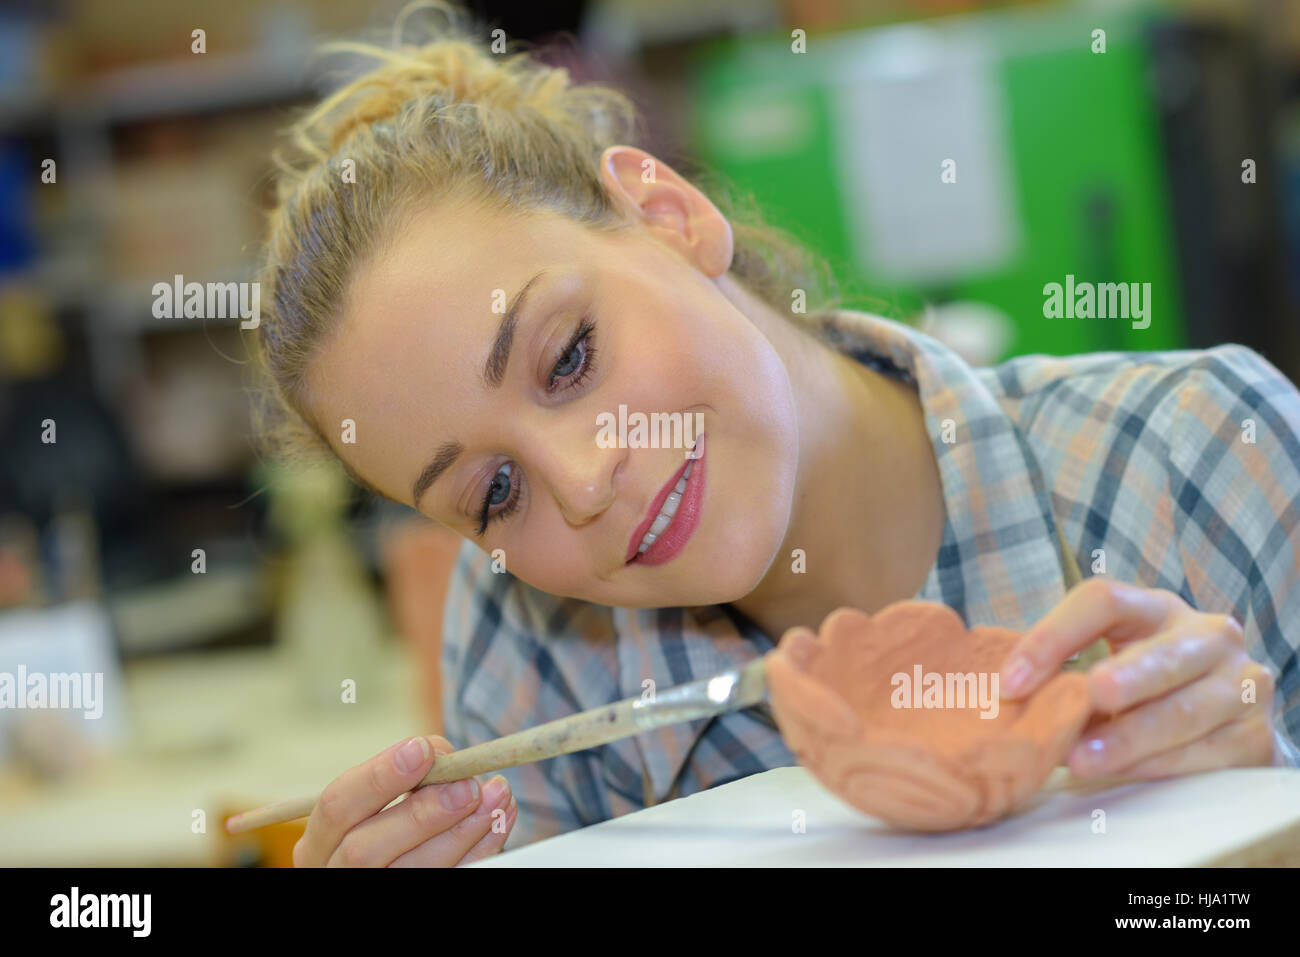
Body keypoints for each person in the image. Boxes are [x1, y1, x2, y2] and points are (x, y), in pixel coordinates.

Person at [252, 1, 1300, 866]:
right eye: (492, 494)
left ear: (667, 217)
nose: (578, 482)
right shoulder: (531, 645)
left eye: (569, 357)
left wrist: (1258, 818)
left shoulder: (1199, 457)